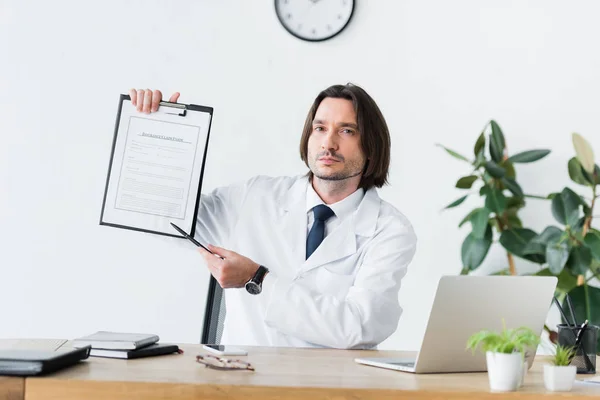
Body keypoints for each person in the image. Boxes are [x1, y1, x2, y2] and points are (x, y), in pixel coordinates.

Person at [129, 84, 417, 349]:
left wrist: (258, 279)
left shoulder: (390, 230)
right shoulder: (254, 197)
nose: (328, 143)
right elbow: (162, 216)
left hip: (333, 388)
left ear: (371, 147)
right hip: (242, 383)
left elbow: (357, 327)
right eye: (319, 128)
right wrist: (160, 136)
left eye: (347, 131)